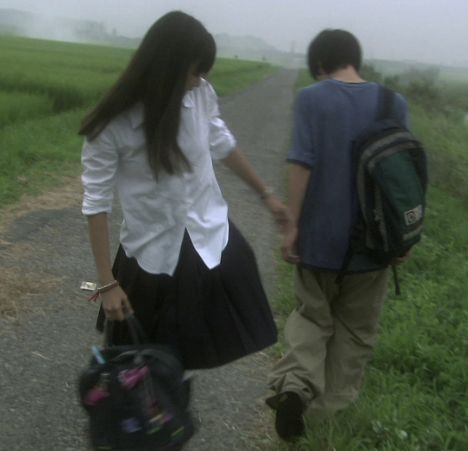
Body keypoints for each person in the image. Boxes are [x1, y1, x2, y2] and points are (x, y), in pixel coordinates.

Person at [79, 11, 289, 370]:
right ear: (168, 67)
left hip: (210, 237)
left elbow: (222, 143)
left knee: (187, 357)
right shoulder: (114, 125)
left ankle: (174, 413)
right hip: (151, 257)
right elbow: (96, 204)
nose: (200, 80)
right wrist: (107, 283)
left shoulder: (201, 96)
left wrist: (266, 193)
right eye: (196, 71)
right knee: (136, 367)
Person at [266, 29, 409, 441]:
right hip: (374, 243)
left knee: (312, 316)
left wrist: (292, 225)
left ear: (319, 65)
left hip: (319, 240)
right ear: (355, 59)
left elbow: (301, 163)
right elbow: (401, 175)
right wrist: (403, 237)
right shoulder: (391, 102)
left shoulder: (312, 99)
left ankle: (294, 388)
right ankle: (322, 418)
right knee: (355, 331)